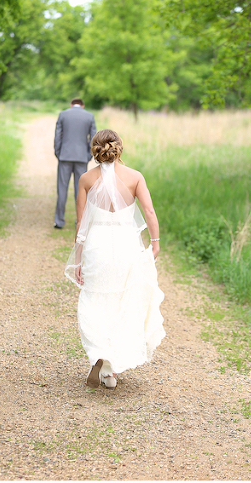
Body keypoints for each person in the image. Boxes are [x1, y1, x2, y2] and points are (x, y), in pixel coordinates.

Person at [64, 129, 165, 389]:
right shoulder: (135, 177)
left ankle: (102, 358)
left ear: (95, 150)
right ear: (119, 148)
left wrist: (78, 260)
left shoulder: (86, 179)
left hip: (97, 246)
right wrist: (154, 244)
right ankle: (111, 368)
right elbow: (150, 212)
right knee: (123, 300)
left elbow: (81, 224)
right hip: (125, 246)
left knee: (96, 298)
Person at [54, 98, 97, 229]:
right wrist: (89, 155)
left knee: (62, 189)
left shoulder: (63, 114)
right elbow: (93, 138)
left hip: (65, 156)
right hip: (81, 157)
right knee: (81, 190)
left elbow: (57, 136)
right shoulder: (89, 116)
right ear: (82, 105)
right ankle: (81, 220)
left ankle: (59, 221)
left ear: (71, 104)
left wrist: (58, 153)